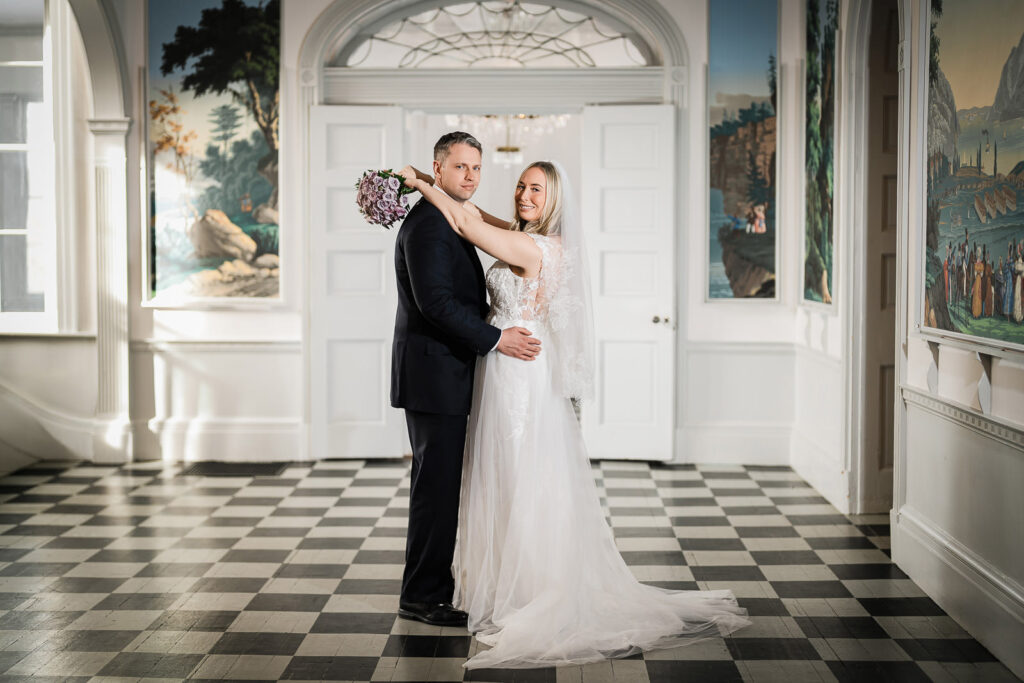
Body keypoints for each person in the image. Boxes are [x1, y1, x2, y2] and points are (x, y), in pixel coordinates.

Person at [398, 160, 750, 669]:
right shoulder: (526, 237)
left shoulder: (536, 248)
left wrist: (422, 184)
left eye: (536, 189)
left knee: (518, 477)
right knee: (507, 476)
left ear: (554, 198)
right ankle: (507, 580)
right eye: (520, 185)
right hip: (504, 371)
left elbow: (469, 224)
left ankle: (529, 589)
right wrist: (452, 194)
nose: (523, 195)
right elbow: (481, 217)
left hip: (517, 373)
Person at [390, 132, 542, 628]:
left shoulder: (450, 216)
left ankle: (433, 587)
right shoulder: (430, 225)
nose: (471, 176)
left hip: (447, 372)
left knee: (441, 486)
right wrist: (496, 339)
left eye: (476, 168)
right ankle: (423, 596)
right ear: (439, 168)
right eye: (460, 168)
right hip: (435, 374)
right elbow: (435, 304)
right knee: (435, 489)